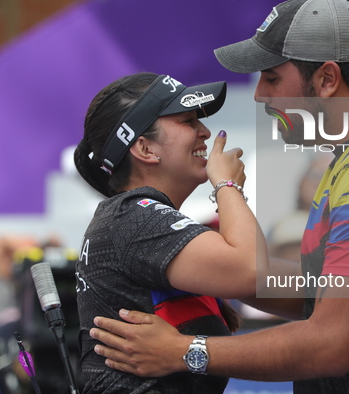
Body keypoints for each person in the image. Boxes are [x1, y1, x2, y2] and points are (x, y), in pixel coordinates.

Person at [88, 1, 349, 392]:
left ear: (326, 79)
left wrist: (185, 351)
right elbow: (322, 290)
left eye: (271, 78)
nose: (258, 95)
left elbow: (330, 344)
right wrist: (215, 272)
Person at [73, 72, 267, 393]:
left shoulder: (134, 218)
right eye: (188, 121)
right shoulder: (133, 218)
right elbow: (252, 271)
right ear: (145, 149)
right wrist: (226, 185)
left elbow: (273, 278)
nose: (205, 132)